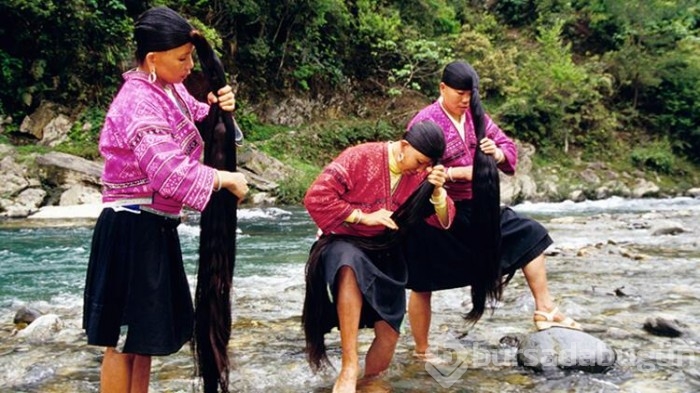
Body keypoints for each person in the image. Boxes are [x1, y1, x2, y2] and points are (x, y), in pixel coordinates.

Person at [82, 6, 248, 393]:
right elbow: (167, 170)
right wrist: (223, 179)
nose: (189, 65)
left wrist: (221, 108)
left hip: (153, 226)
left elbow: (205, 121)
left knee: (142, 341)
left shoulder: (168, 91)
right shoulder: (138, 101)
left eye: (190, 56)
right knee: (122, 343)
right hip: (129, 227)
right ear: (153, 59)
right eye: (182, 58)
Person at [404, 60, 581, 360]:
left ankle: (545, 309)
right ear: (442, 88)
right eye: (459, 93)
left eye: (470, 94)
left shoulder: (477, 116)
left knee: (532, 235)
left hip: (479, 206)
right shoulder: (426, 122)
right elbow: (415, 167)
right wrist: (460, 174)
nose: (465, 100)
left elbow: (507, 148)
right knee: (422, 282)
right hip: (438, 209)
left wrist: (496, 153)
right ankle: (422, 351)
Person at [302, 121, 456, 393]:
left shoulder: (423, 174)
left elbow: (444, 220)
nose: (420, 169)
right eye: (418, 161)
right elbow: (316, 197)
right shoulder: (360, 156)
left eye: (426, 165)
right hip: (342, 239)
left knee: (390, 330)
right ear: (405, 146)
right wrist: (363, 216)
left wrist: (438, 191)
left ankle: (370, 381)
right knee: (348, 264)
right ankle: (349, 367)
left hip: (385, 249)